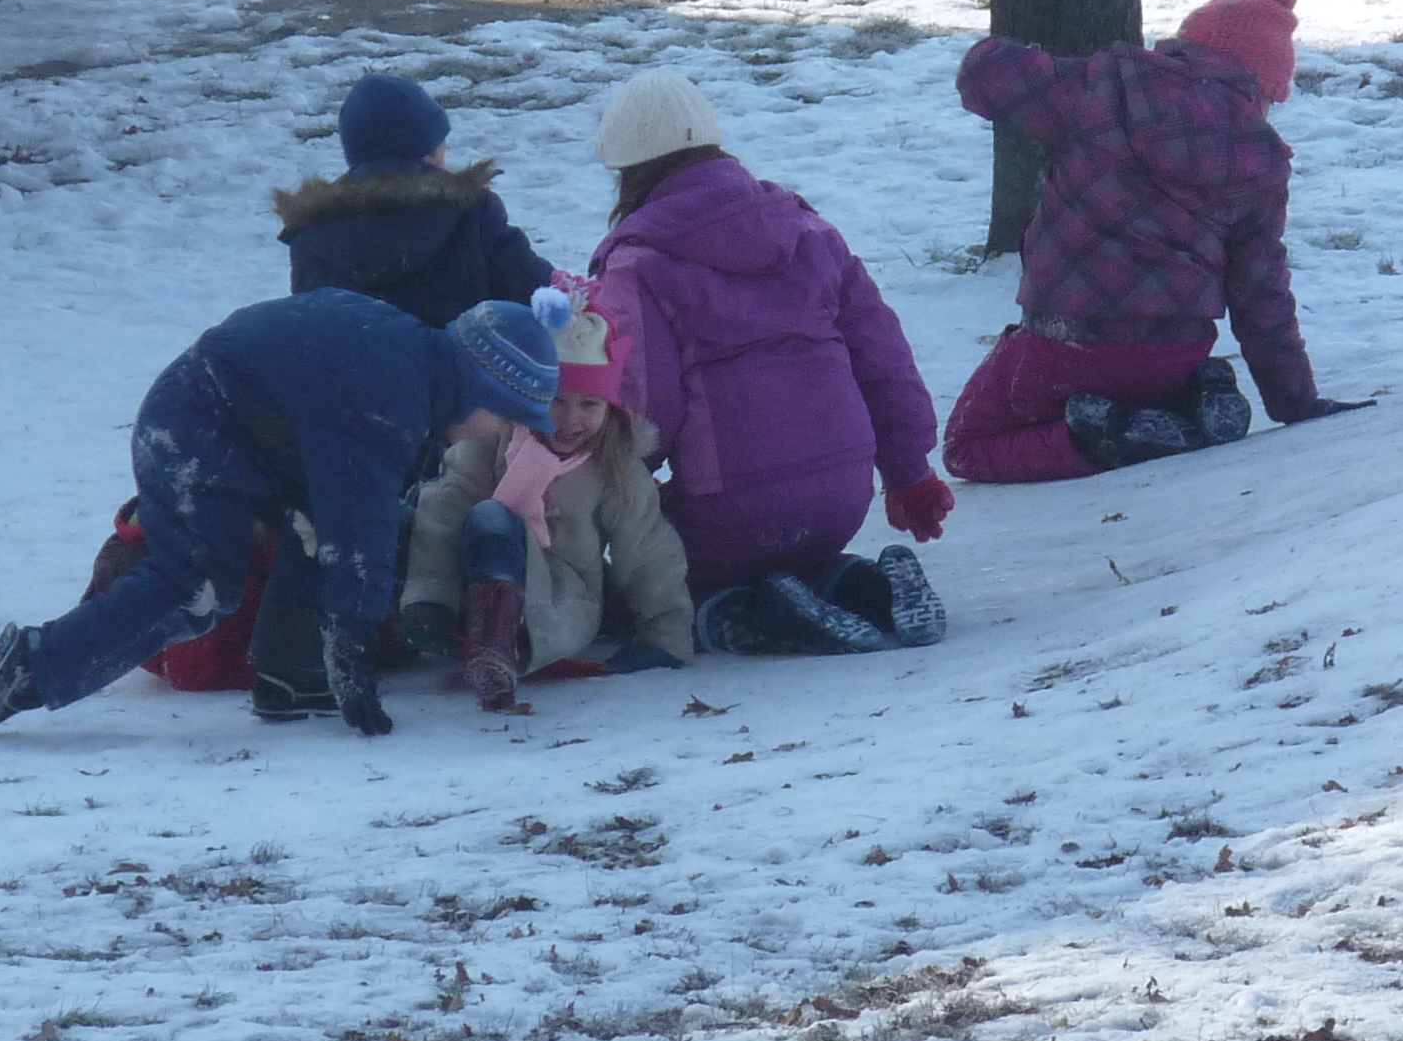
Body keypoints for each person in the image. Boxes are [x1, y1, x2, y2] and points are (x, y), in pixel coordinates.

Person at [0, 289, 561, 740]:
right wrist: (352, 650)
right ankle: (33, 665)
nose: (501, 432)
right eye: (507, 416)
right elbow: (360, 535)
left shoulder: (410, 361)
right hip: (195, 427)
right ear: (480, 388)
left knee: (315, 526)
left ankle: (292, 678)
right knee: (195, 586)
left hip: (248, 433)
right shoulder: (388, 398)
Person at [586, 68, 953, 656]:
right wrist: (908, 471)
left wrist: (610, 485)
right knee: (808, 559)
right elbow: (883, 358)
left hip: (727, 506)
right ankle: (868, 588)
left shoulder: (639, 261)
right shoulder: (810, 232)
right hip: (842, 496)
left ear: (626, 170)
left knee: (657, 583)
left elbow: (648, 402)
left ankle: (750, 615)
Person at [945, 0, 1361, 483]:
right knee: (1136, 385)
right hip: (1174, 353)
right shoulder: (1261, 157)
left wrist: (1016, 56)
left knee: (968, 444)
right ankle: (1192, 401)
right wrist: (1296, 402)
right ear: (1262, 87)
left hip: (1066, 341)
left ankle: (1111, 439)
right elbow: (1261, 294)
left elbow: (984, 75)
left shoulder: (1105, 87)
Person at [399, 290, 697, 709]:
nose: (570, 420)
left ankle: (502, 647)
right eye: (556, 400)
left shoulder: (613, 467)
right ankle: (484, 641)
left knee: (494, 518)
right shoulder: (493, 443)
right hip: (475, 593)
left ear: (610, 409)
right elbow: (443, 512)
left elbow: (646, 549)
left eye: (589, 405)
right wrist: (431, 600)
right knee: (483, 517)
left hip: (564, 607)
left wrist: (664, 636)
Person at [276, 72, 556, 327]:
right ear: (427, 156)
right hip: (461, 366)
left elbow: (311, 330)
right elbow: (540, 294)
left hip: (352, 368)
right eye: (441, 145)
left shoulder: (312, 233)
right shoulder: (471, 214)